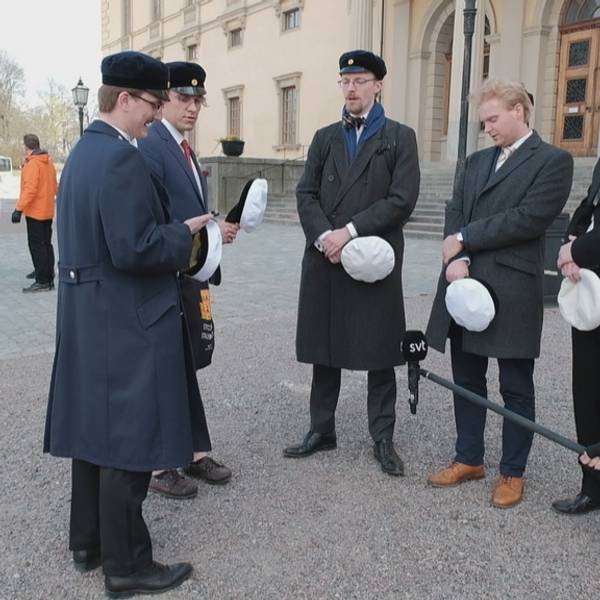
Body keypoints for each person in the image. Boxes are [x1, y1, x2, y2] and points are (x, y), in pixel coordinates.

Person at [43, 51, 213, 597]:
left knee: (94, 435)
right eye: (153, 102)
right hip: (126, 319)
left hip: (91, 317)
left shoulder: (84, 152)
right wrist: (183, 233)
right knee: (128, 443)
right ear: (123, 99)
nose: (156, 113)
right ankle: (128, 565)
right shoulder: (121, 158)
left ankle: (88, 542)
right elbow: (133, 247)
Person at [426, 79, 573, 508]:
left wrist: (464, 239)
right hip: (464, 282)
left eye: (493, 119)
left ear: (519, 111)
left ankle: (513, 471)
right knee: (467, 378)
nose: (487, 128)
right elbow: (456, 209)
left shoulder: (553, 161)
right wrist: (454, 258)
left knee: (515, 385)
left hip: (512, 287)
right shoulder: (475, 161)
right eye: (483, 121)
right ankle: (469, 458)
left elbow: (528, 218)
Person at [283, 50, 420, 476]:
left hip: (373, 257)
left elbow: (402, 200)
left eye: (360, 81)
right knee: (325, 349)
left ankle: (382, 437)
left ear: (377, 85)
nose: (351, 88)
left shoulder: (400, 137)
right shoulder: (325, 137)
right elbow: (306, 194)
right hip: (326, 256)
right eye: (345, 81)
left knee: (380, 350)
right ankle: (321, 429)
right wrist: (325, 236)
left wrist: (350, 232)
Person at [139, 61, 237, 499]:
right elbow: (157, 218)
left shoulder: (182, 147)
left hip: (188, 273)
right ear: (164, 100)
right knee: (163, 371)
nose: (193, 107)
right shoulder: (152, 145)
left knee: (184, 366)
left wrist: (215, 230)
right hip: (165, 274)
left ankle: (194, 452)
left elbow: (189, 212)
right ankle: (160, 465)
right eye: (183, 98)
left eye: (198, 99)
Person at [553, 158, 600, 515]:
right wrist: (570, 249)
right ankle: (592, 487)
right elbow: (587, 208)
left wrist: (576, 251)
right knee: (587, 390)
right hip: (591, 289)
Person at [11, 133, 58, 292]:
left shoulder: (33, 164)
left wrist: (18, 209)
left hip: (35, 212)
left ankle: (43, 280)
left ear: (27, 147)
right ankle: (46, 272)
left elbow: (30, 190)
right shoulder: (48, 162)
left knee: (37, 246)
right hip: (47, 211)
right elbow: (55, 186)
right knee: (46, 244)